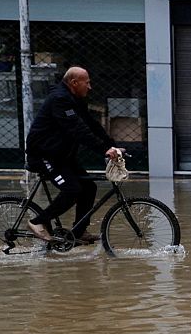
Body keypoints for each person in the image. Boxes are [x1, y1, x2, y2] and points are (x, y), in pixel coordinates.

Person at [24, 66, 123, 244]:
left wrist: (112, 146)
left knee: (89, 187)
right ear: (74, 82)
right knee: (72, 190)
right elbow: (78, 130)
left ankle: (78, 231)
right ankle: (37, 222)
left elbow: (92, 125)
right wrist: (103, 150)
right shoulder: (60, 100)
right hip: (44, 155)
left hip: (61, 156)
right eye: (87, 82)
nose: (90, 87)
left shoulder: (74, 100)